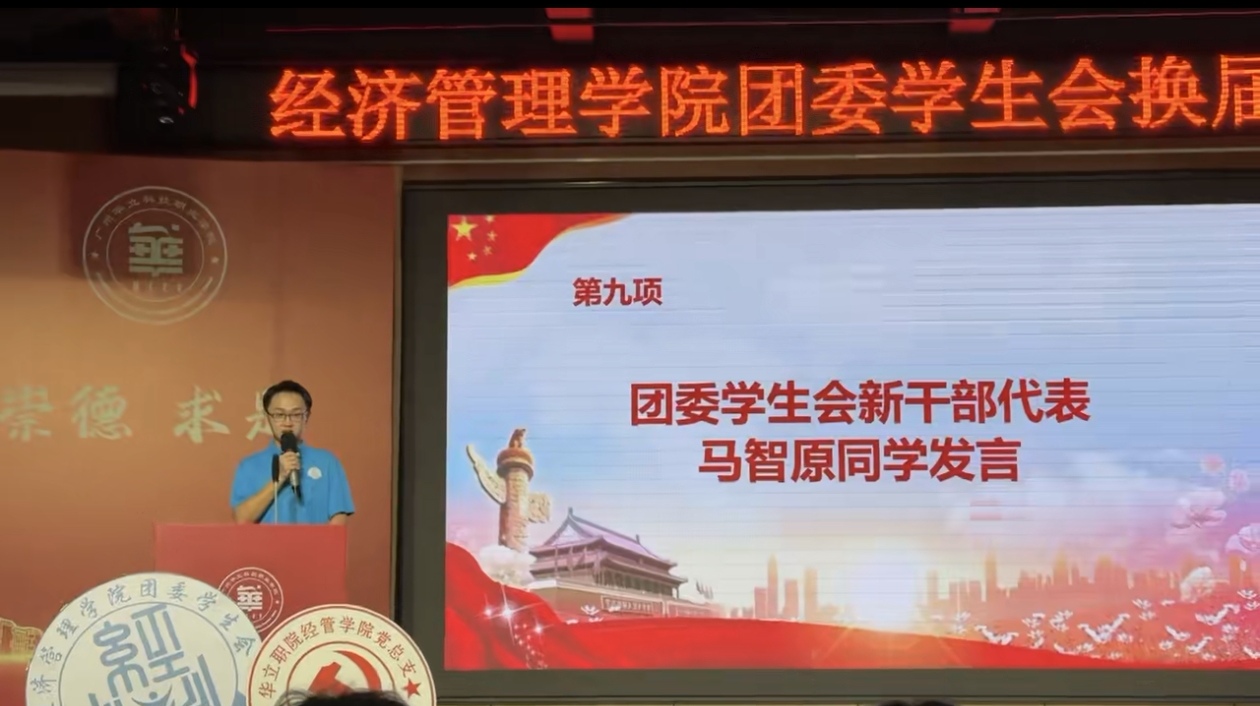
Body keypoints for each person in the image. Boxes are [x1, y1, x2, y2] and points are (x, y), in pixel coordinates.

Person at [230, 379, 355, 525]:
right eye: (279, 414)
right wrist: (279, 478)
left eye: (296, 414)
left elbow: (338, 519)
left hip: (315, 541)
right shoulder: (248, 465)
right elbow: (242, 518)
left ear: (306, 417)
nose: (287, 422)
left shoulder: (327, 462)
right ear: (268, 417)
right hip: (267, 541)